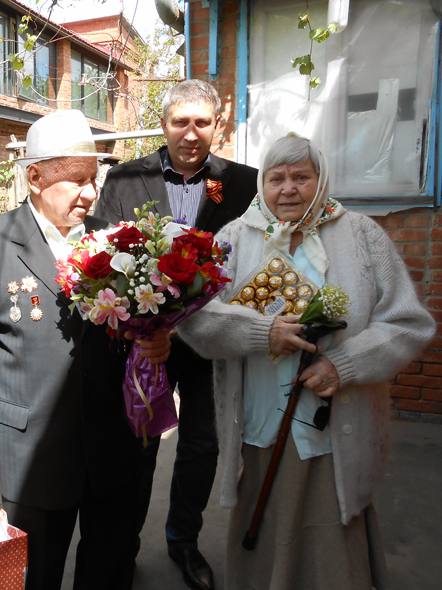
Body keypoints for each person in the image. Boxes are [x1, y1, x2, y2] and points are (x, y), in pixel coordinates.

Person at [177, 133, 435, 590]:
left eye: (302, 176)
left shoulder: (360, 234)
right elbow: (195, 318)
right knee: (261, 523)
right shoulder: (235, 237)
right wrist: (262, 332)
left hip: (335, 426)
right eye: (276, 178)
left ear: (321, 180)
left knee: (331, 535)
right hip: (259, 423)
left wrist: (345, 364)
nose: (288, 188)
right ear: (263, 184)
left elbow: (407, 323)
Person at [0, 109, 171, 590]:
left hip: (111, 445)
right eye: (76, 180)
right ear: (35, 177)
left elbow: (131, 328)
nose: (90, 193)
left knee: (108, 568)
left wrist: (154, 340)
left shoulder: (114, 242)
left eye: (93, 179)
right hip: (30, 452)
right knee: (34, 575)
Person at [94, 79, 257, 590]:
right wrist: (137, 327)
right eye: (180, 122)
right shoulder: (125, 178)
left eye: (202, 123)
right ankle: (126, 543)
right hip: (146, 341)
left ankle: (183, 541)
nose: (191, 134)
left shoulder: (244, 184)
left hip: (210, 341)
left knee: (201, 444)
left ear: (217, 126)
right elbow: (99, 253)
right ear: (163, 124)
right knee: (139, 443)